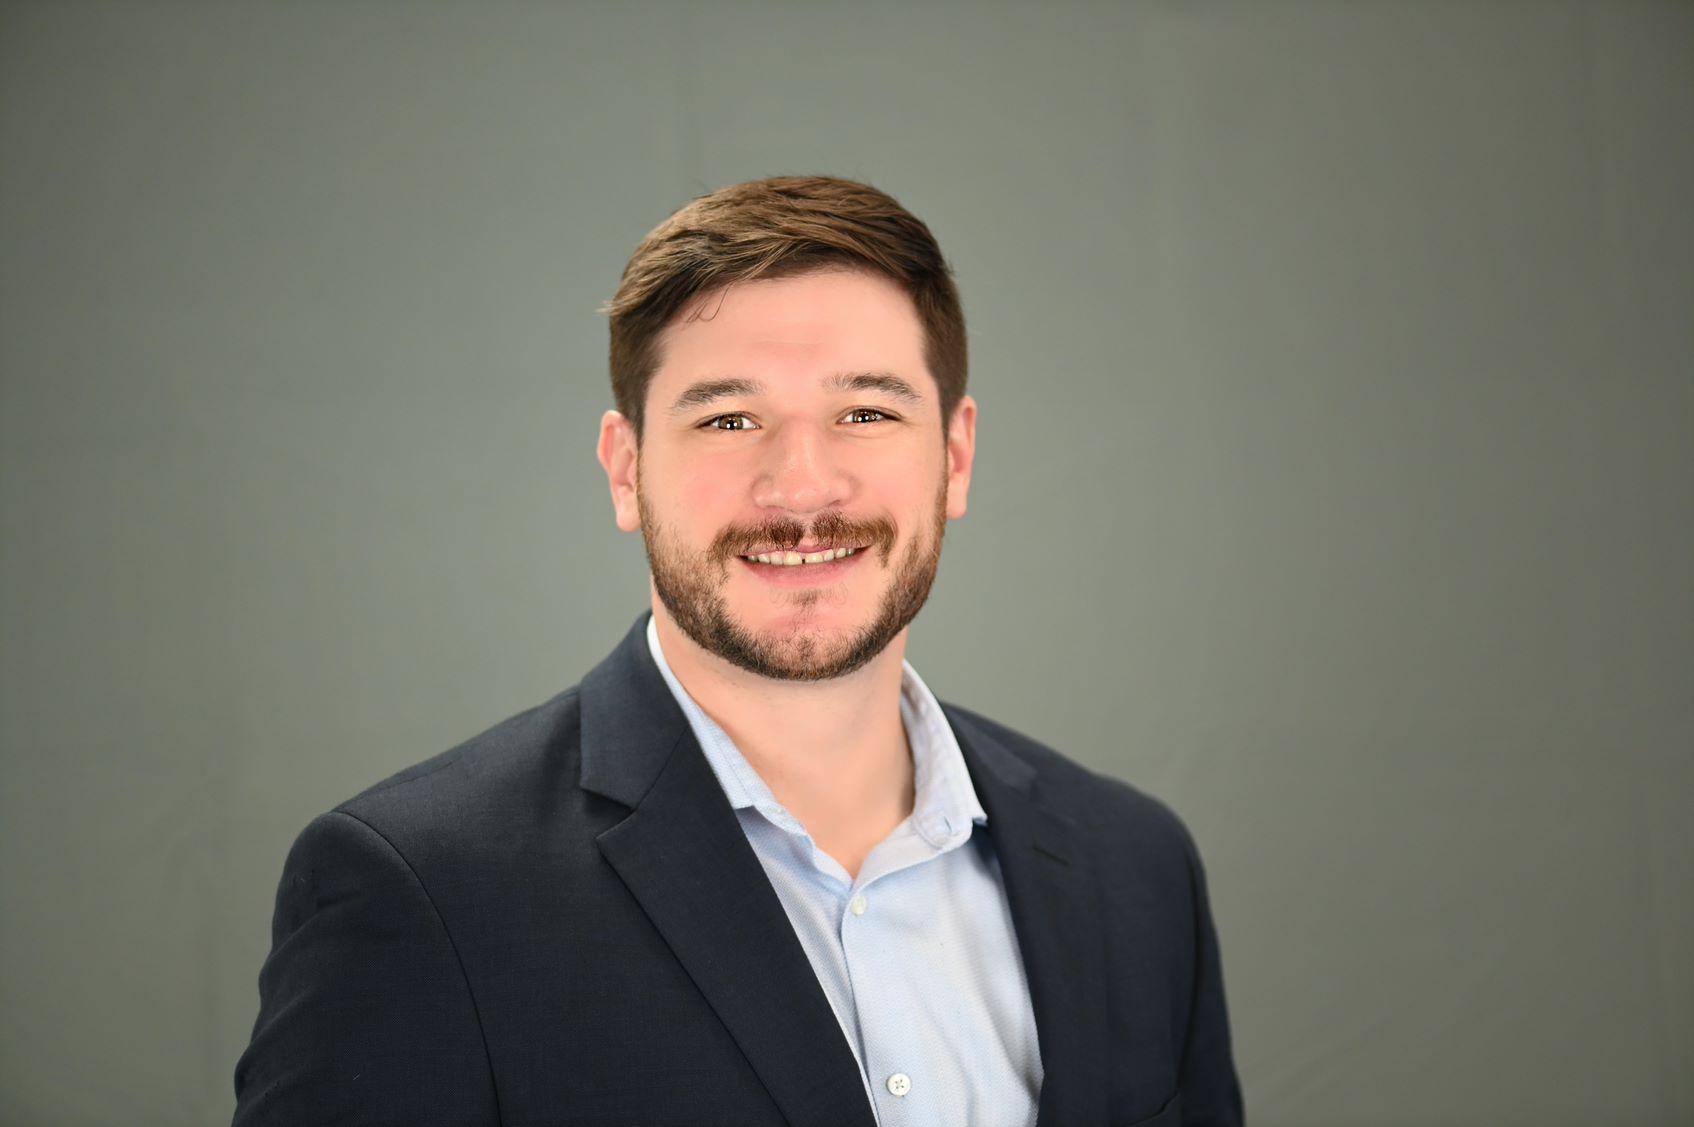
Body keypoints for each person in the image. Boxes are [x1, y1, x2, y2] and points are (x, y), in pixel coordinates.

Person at [233, 175, 1243, 1127]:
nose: (801, 489)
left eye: (865, 411)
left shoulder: (1132, 866)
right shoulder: (420, 890)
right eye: (727, 417)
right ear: (626, 472)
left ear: (954, 456)